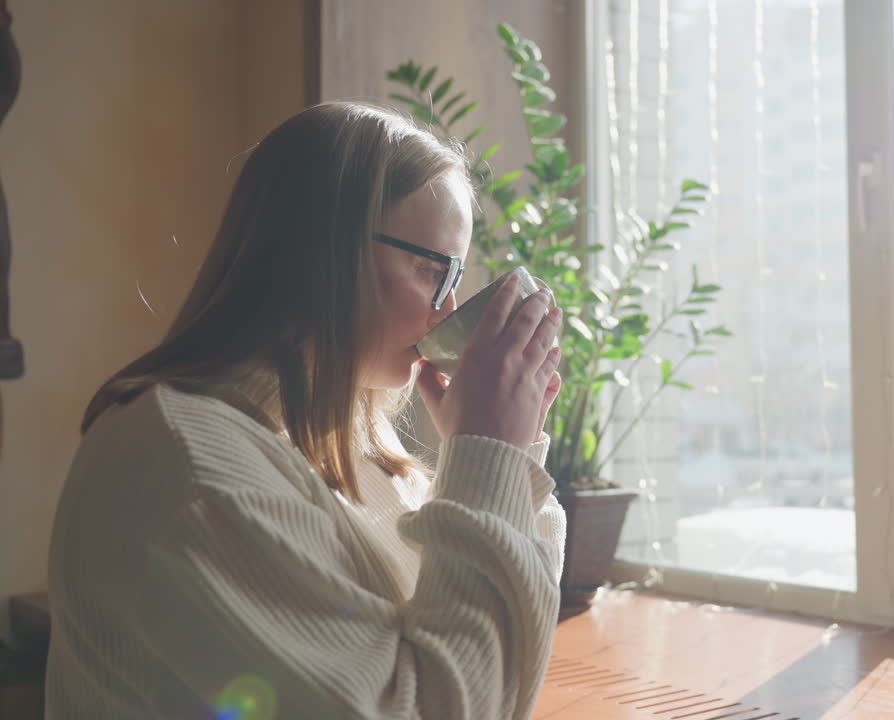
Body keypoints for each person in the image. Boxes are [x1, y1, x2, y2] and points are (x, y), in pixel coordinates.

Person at [44, 102, 566, 719]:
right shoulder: (190, 470)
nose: (447, 310)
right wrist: (488, 455)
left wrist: (504, 459)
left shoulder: (356, 450)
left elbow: (496, 669)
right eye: (434, 269)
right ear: (327, 249)